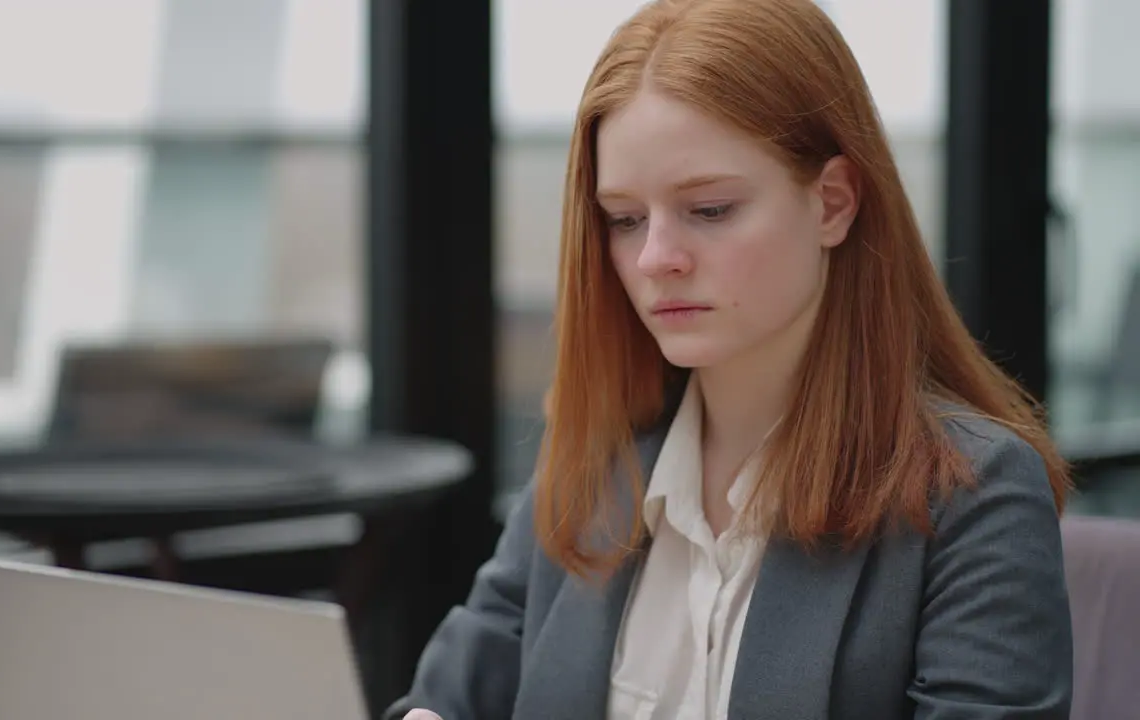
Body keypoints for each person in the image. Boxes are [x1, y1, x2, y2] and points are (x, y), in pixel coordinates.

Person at [388, 0, 1074, 717]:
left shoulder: (974, 497)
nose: (656, 258)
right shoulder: (597, 467)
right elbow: (446, 700)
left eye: (709, 209)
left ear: (833, 203)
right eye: (624, 220)